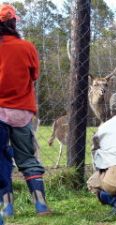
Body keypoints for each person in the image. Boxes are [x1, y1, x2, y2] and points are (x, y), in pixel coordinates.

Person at [0, 3, 50, 216]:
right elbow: (34, 75)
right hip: (21, 110)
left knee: (1, 159)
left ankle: (7, 206)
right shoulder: (27, 47)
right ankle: (40, 204)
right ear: (14, 23)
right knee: (27, 157)